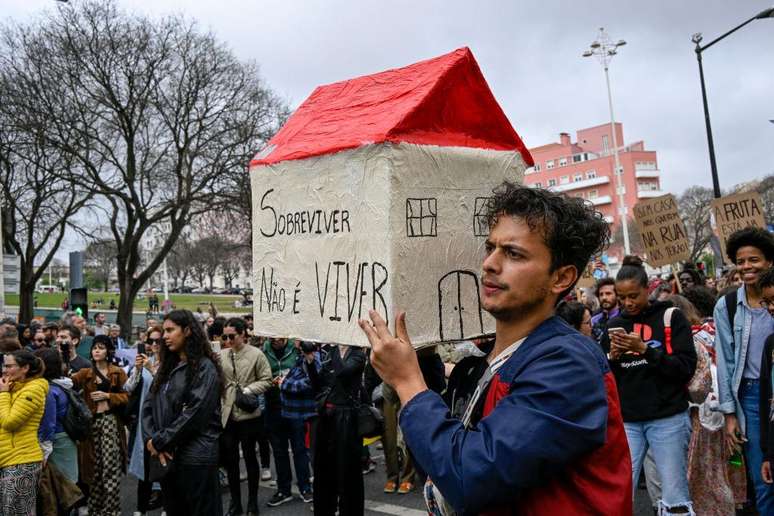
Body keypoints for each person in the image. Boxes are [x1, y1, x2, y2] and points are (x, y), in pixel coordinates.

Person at [359, 183, 631, 514]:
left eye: (513, 253)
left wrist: (408, 383)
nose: (489, 263)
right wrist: (422, 365)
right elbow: (445, 447)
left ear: (561, 278)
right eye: (491, 247)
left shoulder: (568, 365)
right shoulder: (494, 360)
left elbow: (470, 475)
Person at [599, 256, 696, 514]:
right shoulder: (614, 325)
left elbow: (685, 368)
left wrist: (645, 350)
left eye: (633, 296)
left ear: (648, 289)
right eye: (622, 297)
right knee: (619, 490)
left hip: (668, 418)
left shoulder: (669, 316)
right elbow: (607, 378)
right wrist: (613, 359)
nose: (628, 303)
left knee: (674, 491)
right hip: (628, 421)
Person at [141, 309, 224, 516]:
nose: (165, 336)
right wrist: (151, 440)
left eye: (171, 330)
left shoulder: (205, 368)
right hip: (168, 459)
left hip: (196, 458)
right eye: (164, 331)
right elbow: (148, 406)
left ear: (187, 331)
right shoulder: (167, 368)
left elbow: (195, 414)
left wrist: (160, 441)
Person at [714, 227, 774, 513]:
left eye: (754, 260)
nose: (746, 267)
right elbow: (725, 363)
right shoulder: (726, 306)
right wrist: (729, 414)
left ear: (770, 261)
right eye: (741, 261)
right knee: (764, 480)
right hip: (750, 399)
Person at [220, 317, 272, 516]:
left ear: (243, 334)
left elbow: (267, 380)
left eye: (231, 336)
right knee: (231, 462)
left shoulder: (256, 355)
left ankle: (252, 502)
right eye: (224, 336)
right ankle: (235, 503)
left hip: (250, 415)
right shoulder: (222, 354)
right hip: (228, 415)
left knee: (251, 459)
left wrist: (248, 390)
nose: (228, 340)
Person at [71, 335, 129, 516]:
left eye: (101, 347)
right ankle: (95, 509)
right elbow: (67, 382)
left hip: (110, 421)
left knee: (110, 468)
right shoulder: (85, 373)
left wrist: (109, 396)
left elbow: (128, 397)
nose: (96, 350)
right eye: (94, 347)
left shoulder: (117, 372)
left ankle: (111, 511)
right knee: (93, 469)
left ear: (108, 351)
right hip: (91, 424)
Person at [306, 343, 366, 516]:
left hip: (347, 418)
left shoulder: (357, 355)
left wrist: (335, 351)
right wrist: (310, 361)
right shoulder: (329, 353)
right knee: (323, 470)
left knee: (348, 472)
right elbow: (318, 386)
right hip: (327, 417)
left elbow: (342, 372)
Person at [262, 337, 313, 507]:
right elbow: (258, 378)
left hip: (294, 407)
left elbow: (309, 377)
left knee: (299, 449)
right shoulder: (262, 352)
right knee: (279, 451)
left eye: (279, 335)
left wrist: (287, 383)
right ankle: (284, 490)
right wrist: (270, 382)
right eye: (272, 336)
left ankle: (305, 487)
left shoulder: (297, 350)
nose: (276, 339)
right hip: (273, 407)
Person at [0, 350, 49, 516]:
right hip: (8, 459)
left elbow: (9, 422)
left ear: (25, 368)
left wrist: (4, 394)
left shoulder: (33, 390)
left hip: (22, 461)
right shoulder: (13, 387)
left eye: (9, 366)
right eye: (4, 365)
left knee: (15, 512)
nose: (4, 370)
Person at [125, 326, 163, 516]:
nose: (154, 345)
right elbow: (128, 387)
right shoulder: (145, 362)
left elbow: (166, 389)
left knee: (165, 466)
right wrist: (138, 370)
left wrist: (151, 369)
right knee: (145, 466)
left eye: (158, 341)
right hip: (145, 419)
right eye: (151, 341)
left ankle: (167, 507)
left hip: (164, 421)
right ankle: (140, 509)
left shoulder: (171, 362)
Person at [35, 348, 80, 484]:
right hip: (66, 437)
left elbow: (49, 422)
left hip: (56, 440)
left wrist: (45, 449)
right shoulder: (62, 384)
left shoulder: (48, 390)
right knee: (68, 480)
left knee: (62, 485)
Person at [757, 268, 774, 486]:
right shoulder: (770, 344)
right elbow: (767, 401)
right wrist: (769, 454)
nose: (771, 308)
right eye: (767, 302)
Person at [591, 277, 620, 343]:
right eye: (601, 294)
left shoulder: (625, 317)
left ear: (617, 295)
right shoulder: (594, 319)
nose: (604, 298)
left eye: (608, 293)